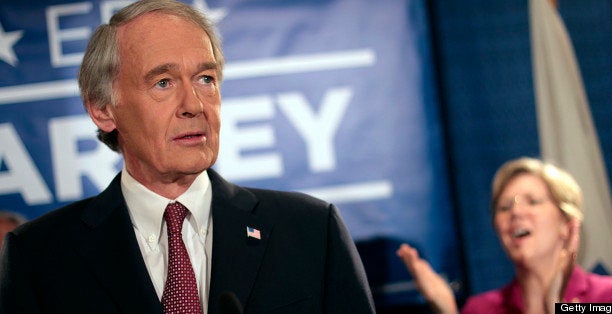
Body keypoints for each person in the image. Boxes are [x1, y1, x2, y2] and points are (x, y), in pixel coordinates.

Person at [0, 1, 375, 313]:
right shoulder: (38, 256)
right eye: (163, 82)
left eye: (205, 79)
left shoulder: (310, 230)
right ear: (102, 110)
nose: (194, 105)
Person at [397, 157, 612, 314]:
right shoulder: (482, 309)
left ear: (567, 224)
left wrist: (558, 305)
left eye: (533, 201)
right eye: (504, 207)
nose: (516, 212)